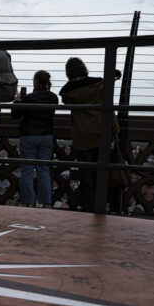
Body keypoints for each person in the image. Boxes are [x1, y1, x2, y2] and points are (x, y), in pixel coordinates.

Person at [59, 57, 119, 212]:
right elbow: (110, 110)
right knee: (102, 171)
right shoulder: (99, 84)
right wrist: (115, 130)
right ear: (84, 68)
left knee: (86, 173)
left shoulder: (68, 92)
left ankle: (88, 204)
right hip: (101, 132)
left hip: (82, 136)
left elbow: (65, 98)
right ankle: (103, 204)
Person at [11, 70, 58, 208]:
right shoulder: (53, 97)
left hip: (29, 135)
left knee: (27, 169)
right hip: (46, 135)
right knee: (43, 169)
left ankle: (28, 202)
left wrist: (17, 100)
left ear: (36, 81)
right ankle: (46, 202)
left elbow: (14, 114)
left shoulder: (29, 98)